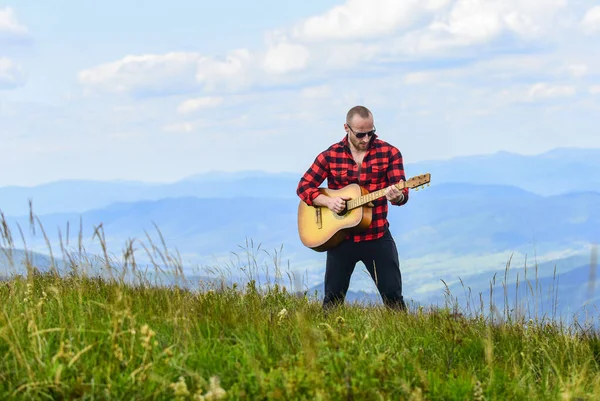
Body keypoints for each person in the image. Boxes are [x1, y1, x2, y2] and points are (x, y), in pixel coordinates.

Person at [296, 105, 409, 311]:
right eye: (360, 134)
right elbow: (304, 187)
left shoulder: (389, 153)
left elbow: (402, 197)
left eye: (371, 133)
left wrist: (398, 195)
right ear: (346, 128)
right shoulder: (330, 155)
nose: (366, 139)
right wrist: (328, 202)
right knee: (332, 301)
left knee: (393, 297)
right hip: (341, 238)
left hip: (376, 235)